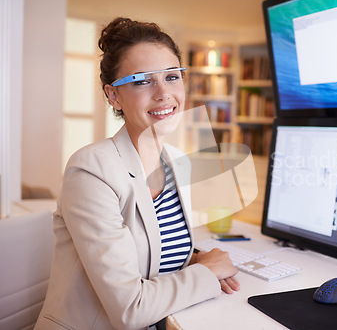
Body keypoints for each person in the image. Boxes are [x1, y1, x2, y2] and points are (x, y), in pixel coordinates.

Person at [35, 17, 239, 330]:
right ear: (113, 95)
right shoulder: (90, 170)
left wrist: (193, 259)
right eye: (142, 81)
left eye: (172, 76)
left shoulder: (175, 161)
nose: (163, 94)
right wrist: (207, 274)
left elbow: (150, 248)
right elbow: (130, 309)